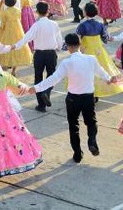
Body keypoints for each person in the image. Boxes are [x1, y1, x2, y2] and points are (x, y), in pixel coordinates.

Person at [34, 34, 114, 162]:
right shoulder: (91, 59)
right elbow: (101, 72)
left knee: (73, 125)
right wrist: (109, 79)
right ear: (80, 44)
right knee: (91, 122)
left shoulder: (67, 62)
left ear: (68, 47)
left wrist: (37, 88)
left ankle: (77, 153)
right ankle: (92, 141)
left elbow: (54, 78)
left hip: (72, 98)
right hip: (88, 97)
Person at [13, 1, 63, 112]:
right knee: (52, 76)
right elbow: (59, 41)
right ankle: (47, 92)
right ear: (48, 11)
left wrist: (15, 46)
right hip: (51, 53)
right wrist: (59, 47)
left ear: (37, 12)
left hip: (39, 54)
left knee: (38, 77)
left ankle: (41, 104)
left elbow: (26, 38)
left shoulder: (36, 25)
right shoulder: (54, 24)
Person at [74, 3, 123, 98]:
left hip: (86, 50)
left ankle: (86, 91)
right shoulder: (100, 25)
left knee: (84, 71)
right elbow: (105, 38)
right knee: (100, 70)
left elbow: (77, 39)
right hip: (98, 51)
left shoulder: (82, 26)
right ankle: (96, 94)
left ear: (85, 13)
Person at [0, 0, 33, 73]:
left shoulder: (5, 11)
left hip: (7, 32)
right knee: (17, 48)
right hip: (17, 31)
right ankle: (14, 70)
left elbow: (1, 24)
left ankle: (5, 69)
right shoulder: (17, 10)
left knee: (5, 48)